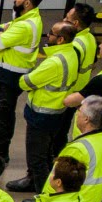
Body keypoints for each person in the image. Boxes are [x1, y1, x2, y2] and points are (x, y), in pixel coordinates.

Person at [10, 18, 85, 190]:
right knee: (46, 155)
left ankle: (40, 197)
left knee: (37, 159)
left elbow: (25, 82)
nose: (47, 36)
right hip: (56, 113)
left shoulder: (54, 62)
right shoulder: (72, 53)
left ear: (60, 40)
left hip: (41, 116)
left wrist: (29, 75)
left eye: (51, 33)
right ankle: (37, 185)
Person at [0, 0, 47, 158]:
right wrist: (3, 29)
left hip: (9, 76)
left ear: (27, 3)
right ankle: (0, 150)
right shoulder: (30, 18)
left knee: (0, 116)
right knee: (4, 113)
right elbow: (6, 26)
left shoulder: (24, 26)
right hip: (10, 74)